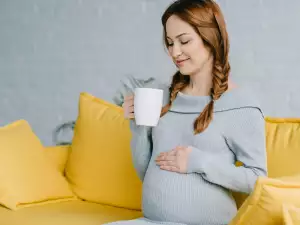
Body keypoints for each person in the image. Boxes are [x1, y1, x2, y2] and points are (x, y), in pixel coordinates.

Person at [108, 0, 267, 224]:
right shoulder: (163, 98)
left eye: (184, 41)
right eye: (170, 43)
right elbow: (146, 171)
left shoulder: (241, 105)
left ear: (211, 38)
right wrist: (138, 125)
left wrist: (199, 162)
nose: (175, 52)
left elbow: (259, 181)